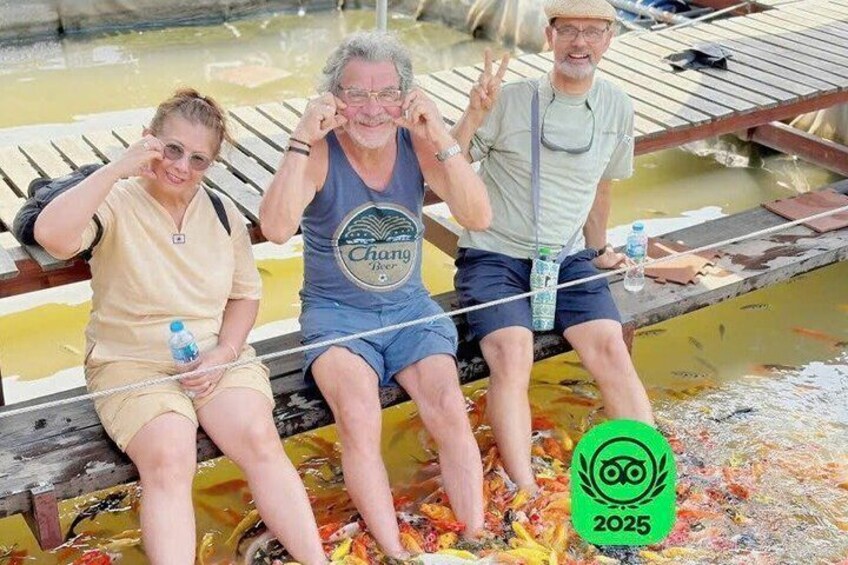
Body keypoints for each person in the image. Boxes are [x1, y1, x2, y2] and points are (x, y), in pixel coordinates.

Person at [34, 89, 327, 565]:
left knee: (259, 438)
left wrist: (224, 353)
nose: (180, 167)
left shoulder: (220, 211)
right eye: (172, 149)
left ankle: (316, 561)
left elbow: (245, 295)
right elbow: (52, 235)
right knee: (170, 457)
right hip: (132, 363)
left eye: (197, 159)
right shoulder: (115, 200)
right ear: (148, 140)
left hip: (212, 354)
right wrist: (116, 168)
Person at [260, 32, 490, 558]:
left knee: (449, 406)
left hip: (410, 310)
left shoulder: (415, 142)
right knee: (359, 415)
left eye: (386, 93)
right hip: (338, 318)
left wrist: (441, 133)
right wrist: (300, 137)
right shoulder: (319, 151)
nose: (371, 108)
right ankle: (395, 551)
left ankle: (477, 537)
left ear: (405, 97)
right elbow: (274, 228)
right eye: (356, 93)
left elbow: (477, 216)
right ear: (333, 97)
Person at [452, 0, 655, 494]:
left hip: (565, 257)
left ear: (609, 39)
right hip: (495, 254)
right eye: (568, 31)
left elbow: (601, 187)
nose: (579, 43)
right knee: (513, 352)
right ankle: (526, 490)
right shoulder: (509, 98)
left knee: (611, 346)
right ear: (549, 36)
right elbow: (445, 166)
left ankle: (647, 475)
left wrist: (598, 249)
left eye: (592, 32)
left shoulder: (618, 105)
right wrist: (473, 115)